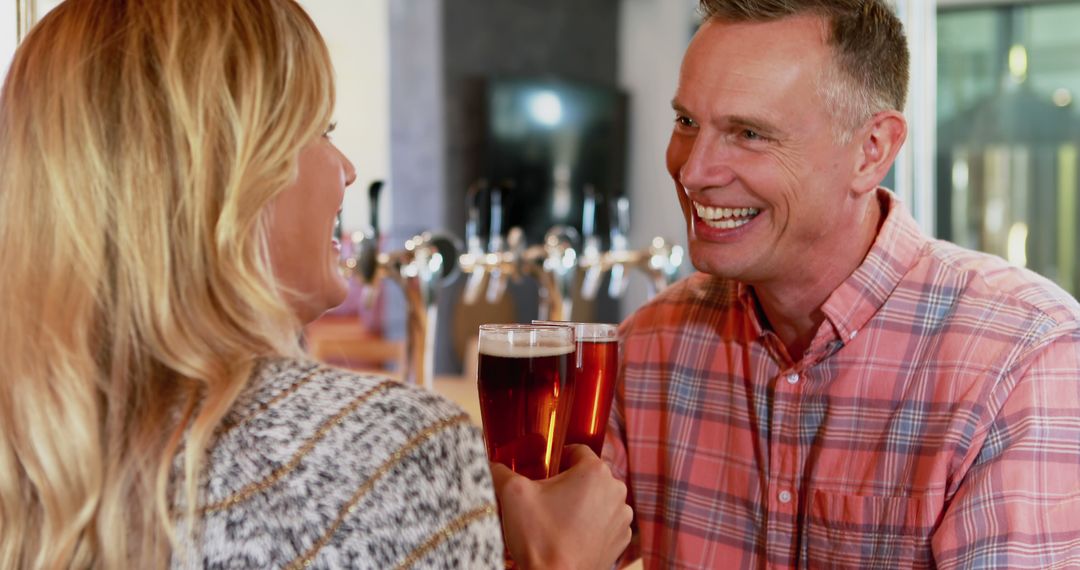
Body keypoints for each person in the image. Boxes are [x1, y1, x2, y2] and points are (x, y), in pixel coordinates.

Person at [0, 1, 502, 567]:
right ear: (229, 171)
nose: (347, 168)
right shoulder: (391, 450)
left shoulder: (31, 447)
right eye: (319, 129)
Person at [591, 0, 1080, 568]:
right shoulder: (648, 346)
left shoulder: (1023, 360)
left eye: (749, 132)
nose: (693, 171)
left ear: (872, 151)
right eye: (687, 122)